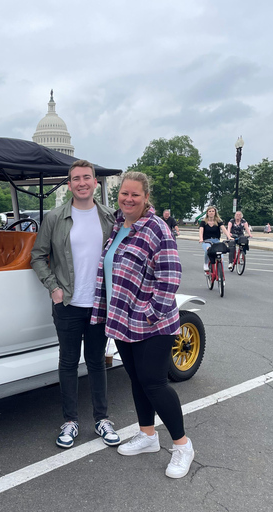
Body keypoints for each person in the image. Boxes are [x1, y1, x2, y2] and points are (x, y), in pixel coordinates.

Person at [90, 171, 194, 479]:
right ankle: (148, 435)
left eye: (135, 194)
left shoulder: (156, 229)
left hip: (153, 324)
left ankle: (182, 445)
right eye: (124, 194)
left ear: (146, 197)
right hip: (122, 321)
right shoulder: (117, 227)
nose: (128, 199)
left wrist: (149, 314)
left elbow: (170, 277)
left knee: (155, 383)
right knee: (136, 380)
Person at [31, 159, 121, 449]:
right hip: (68, 302)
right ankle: (70, 421)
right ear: (68, 185)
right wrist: (54, 288)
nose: (82, 183)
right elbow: (38, 255)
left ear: (95, 182)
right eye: (76, 178)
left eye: (87, 177)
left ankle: (101, 418)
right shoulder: (56, 218)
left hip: (99, 304)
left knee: (96, 362)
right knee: (68, 362)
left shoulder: (110, 217)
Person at [198, 206, 232, 272]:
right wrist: (201, 238)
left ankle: (221, 272)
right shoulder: (203, 222)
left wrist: (229, 237)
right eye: (210, 211)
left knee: (220, 255)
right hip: (207, 241)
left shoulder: (218, 221)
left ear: (215, 213)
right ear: (207, 213)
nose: (211, 213)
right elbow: (201, 230)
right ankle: (206, 264)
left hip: (216, 240)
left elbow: (224, 229)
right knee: (208, 250)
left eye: (213, 211)